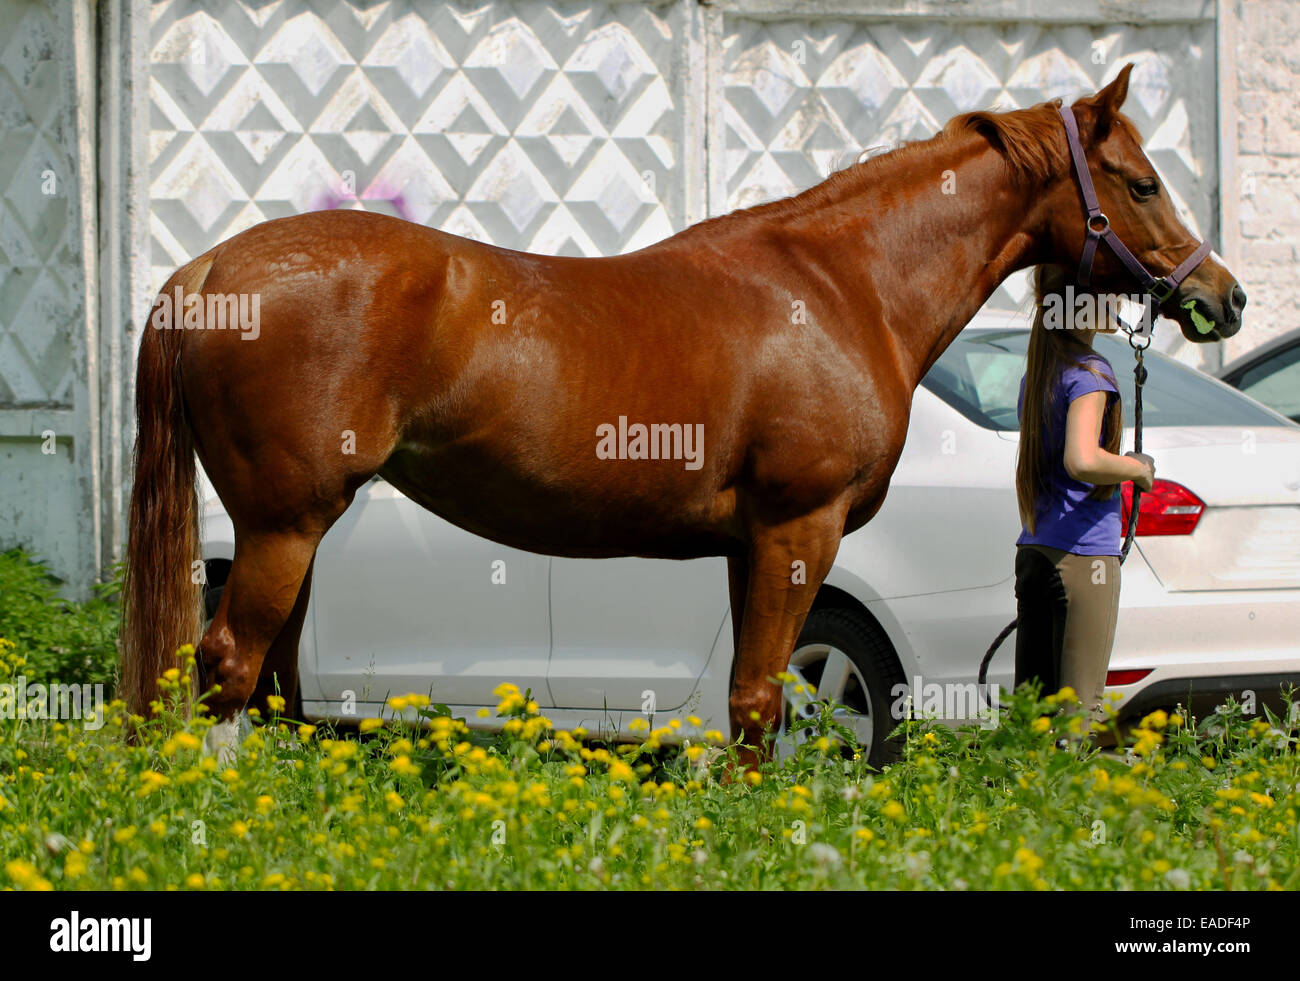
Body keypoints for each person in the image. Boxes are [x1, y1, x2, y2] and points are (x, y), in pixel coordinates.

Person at [1013, 265, 1155, 726]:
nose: (1117, 302)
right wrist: (1139, 470)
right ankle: (1072, 799)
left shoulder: (1039, 374)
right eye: (1110, 292)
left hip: (1035, 550)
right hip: (1083, 558)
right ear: (1086, 304)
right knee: (1080, 715)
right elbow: (1082, 460)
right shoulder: (1092, 373)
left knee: (1031, 714)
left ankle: (1017, 795)